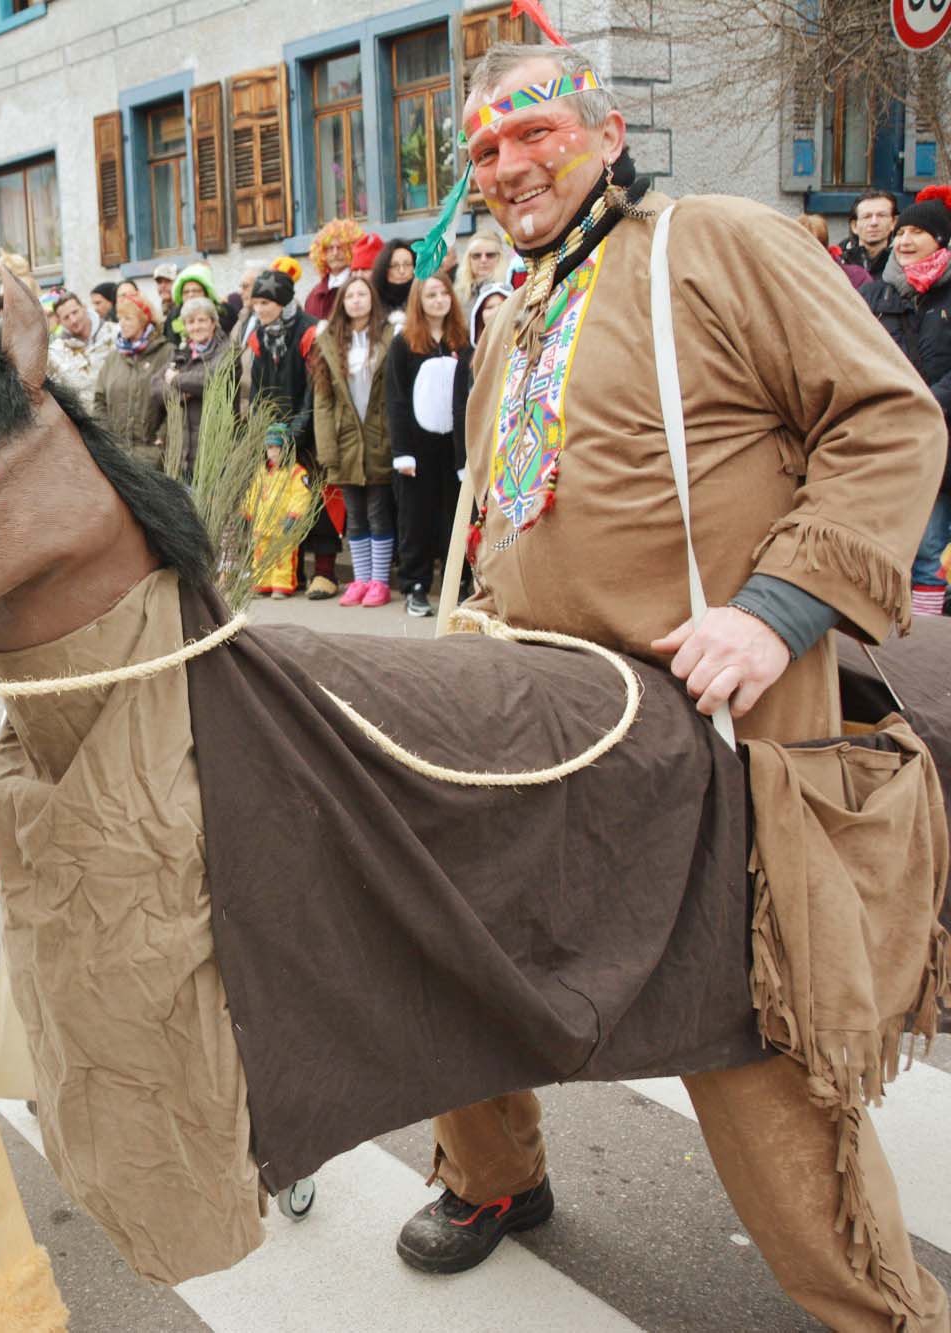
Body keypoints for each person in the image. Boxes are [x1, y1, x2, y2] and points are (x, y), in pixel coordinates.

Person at [420, 41, 951, 1333]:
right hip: (544, 721)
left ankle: (876, 1309)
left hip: (714, 731)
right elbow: (511, 517)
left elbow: (889, 421)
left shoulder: (714, 242)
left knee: (742, 1027)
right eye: (483, 152)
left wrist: (775, 615)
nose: (507, 166)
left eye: (531, 132)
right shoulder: (517, 310)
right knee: (459, 943)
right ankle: (494, 1179)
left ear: (602, 130)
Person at [860, 190, 951, 618]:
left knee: (931, 549)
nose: (904, 240)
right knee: (890, 549)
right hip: (894, 439)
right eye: (903, 232)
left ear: (941, 239)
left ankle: (930, 648)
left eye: (917, 232)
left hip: (943, 438)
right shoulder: (880, 295)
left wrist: (928, 402)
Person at [236, 267, 335, 595]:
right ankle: (290, 572)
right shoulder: (258, 335)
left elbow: (315, 387)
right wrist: (267, 433)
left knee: (315, 498)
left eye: (265, 302)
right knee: (279, 505)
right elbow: (260, 389)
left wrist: (297, 432)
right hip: (276, 435)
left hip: (307, 430)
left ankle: (325, 571)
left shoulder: (310, 332)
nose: (259, 309)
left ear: (282, 301)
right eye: (255, 303)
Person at [384, 274, 471, 617]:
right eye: (431, 295)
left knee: (456, 517)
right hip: (416, 447)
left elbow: (467, 396)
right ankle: (415, 585)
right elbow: (396, 400)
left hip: (452, 446)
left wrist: (466, 452)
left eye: (443, 294)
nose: (438, 300)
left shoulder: (461, 340)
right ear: (419, 301)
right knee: (416, 518)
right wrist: (401, 451)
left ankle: (461, 582)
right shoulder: (404, 342)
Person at [310, 275, 396, 607]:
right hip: (345, 439)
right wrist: (327, 448)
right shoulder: (330, 341)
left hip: (378, 435)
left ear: (372, 299)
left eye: (363, 294)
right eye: (350, 296)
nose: (357, 300)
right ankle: (360, 579)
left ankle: (379, 581)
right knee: (354, 514)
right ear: (342, 303)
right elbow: (323, 400)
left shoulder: (389, 335)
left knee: (378, 511)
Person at [151, 295, 230, 482]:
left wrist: (177, 379)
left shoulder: (228, 350)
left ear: (213, 322)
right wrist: (179, 396)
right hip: (182, 454)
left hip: (213, 450)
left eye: (201, 320)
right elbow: (155, 387)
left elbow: (210, 379)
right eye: (190, 322)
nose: (196, 327)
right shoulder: (181, 352)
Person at [91, 289, 172, 469]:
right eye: (120, 319)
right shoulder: (114, 357)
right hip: (117, 455)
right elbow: (99, 400)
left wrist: (163, 437)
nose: (122, 324)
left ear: (144, 320)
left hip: (153, 456)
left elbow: (175, 401)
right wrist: (106, 438)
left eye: (128, 318)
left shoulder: (166, 353)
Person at [243, 432, 317, 596]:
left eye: (278, 448)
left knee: (282, 557)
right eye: (270, 448)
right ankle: (262, 583)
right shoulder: (261, 472)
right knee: (260, 557)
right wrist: (247, 512)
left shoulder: (296, 472)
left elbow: (301, 495)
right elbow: (253, 493)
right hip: (262, 524)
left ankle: (281, 585)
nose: (273, 452)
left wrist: (294, 515)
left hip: (282, 524)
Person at [46, 289, 116, 398]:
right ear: (59, 321)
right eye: (66, 317)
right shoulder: (57, 353)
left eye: (75, 312)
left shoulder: (114, 333)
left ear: (84, 308)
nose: (73, 320)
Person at [303, 217, 366, 321]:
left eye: (340, 247)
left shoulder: (361, 287)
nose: (335, 253)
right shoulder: (313, 295)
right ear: (321, 253)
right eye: (329, 248)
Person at [837, 188, 897, 277]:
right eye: (866, 217)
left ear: (893, 222)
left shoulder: (903, 263)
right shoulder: (836, 262)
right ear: (854, 226)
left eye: (881, 215)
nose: (874, 222)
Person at [453, 229, 508, 306]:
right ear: (468, 259)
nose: (483, 260)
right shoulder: (457, 295)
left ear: (500, 257)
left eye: (490, 255)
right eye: (476, 255)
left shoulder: (510, 291)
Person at [372, 240, 416, 328]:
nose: (402, 271)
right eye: (395, 265)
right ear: (384, 268)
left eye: (407, 264)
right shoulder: (373, 301)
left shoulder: (421, 298)